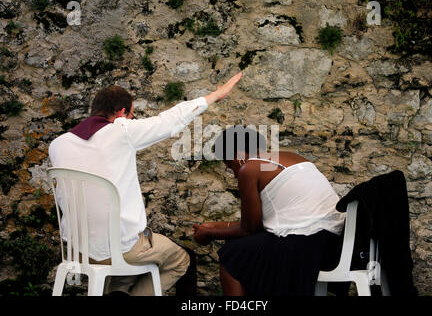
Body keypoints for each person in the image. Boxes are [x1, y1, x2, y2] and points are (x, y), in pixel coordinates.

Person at [48, 72, 243, 296]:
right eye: (132, 115)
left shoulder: (58, 145)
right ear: (122, 113)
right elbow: (170, 120)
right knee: (184, 259)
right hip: (122, 248)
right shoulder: (121, 130)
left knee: (134, 265)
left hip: (78, 249)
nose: (131, 120)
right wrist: (215, 95)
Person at [192, 126, 346, 296]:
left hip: (306, 244)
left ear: (238, 155)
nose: (233, 173)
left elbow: (249, 229)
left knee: (233, 254)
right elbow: (262, 221)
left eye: (229, 165)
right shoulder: (295, 158)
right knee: (247, 248)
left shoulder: (249, 169)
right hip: (335, 242)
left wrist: (210, 234)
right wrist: (215, 226)